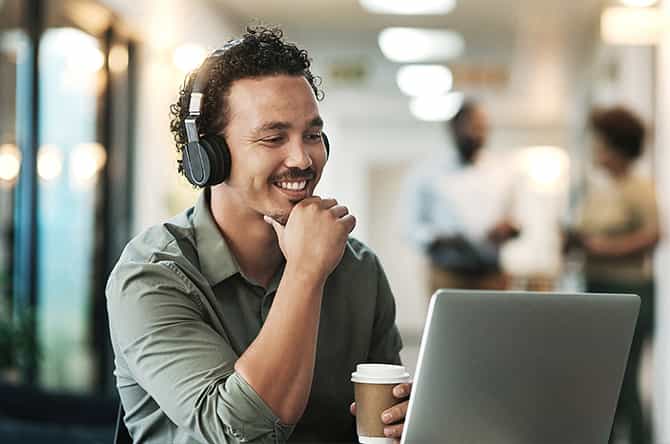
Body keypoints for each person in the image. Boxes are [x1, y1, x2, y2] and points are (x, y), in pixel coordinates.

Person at [106, 25, 411, 443]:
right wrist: (306, 272)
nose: (302, 158)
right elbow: (239, 434)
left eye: (313, 135)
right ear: (207, 156)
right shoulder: (151, 275)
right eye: (273, 137)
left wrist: (406, 417)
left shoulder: (360, 269)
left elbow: (385, 418)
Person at [571, 106, 659, 444]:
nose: (595, 149)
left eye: (600, 143)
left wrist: (601, 248)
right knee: (599, 384)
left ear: (616, 146)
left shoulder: (639, 188)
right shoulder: (597, 191)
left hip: (628, 292)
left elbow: (653, 235)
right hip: (596, 290)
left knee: (624, 386)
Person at [403, 101, 518, 296]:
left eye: (483, 128)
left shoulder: (502, 171)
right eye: (473, 127)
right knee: (449, 326)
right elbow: (409, 226)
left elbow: (515, 218)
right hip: (448, 274)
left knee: (494, 327)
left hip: (491, 275)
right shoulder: (427, 172)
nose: (479, 133)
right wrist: (438, 237)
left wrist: (508, 228)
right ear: (453, 129)